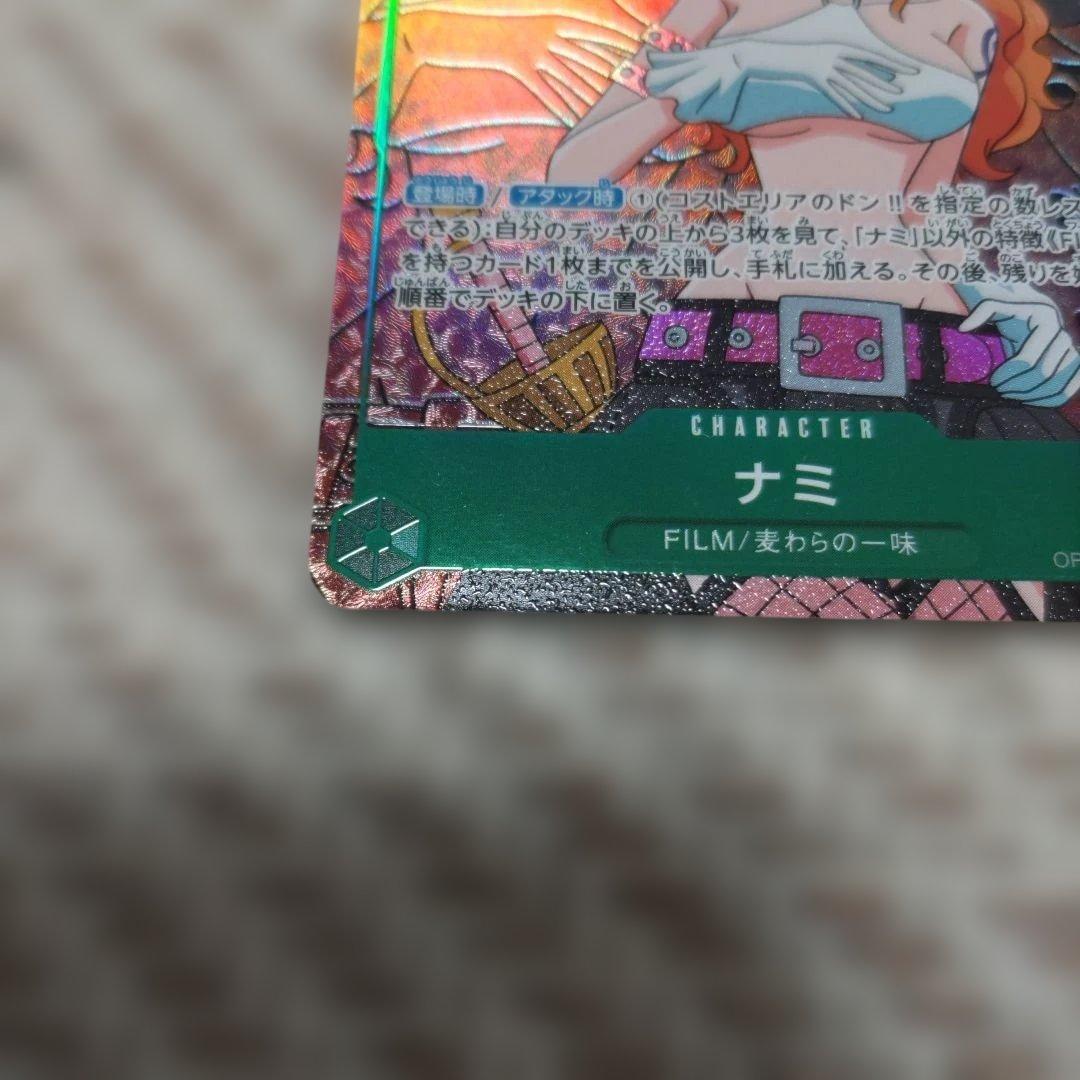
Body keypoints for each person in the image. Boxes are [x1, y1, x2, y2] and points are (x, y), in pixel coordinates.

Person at [548, 0, 1080, 438]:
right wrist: (751, 63)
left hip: (931, 347)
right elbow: (573, 172)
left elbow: (923, 210)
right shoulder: (718, 7)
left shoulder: (959, 19)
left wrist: (1013, 305)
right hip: (735, 336)